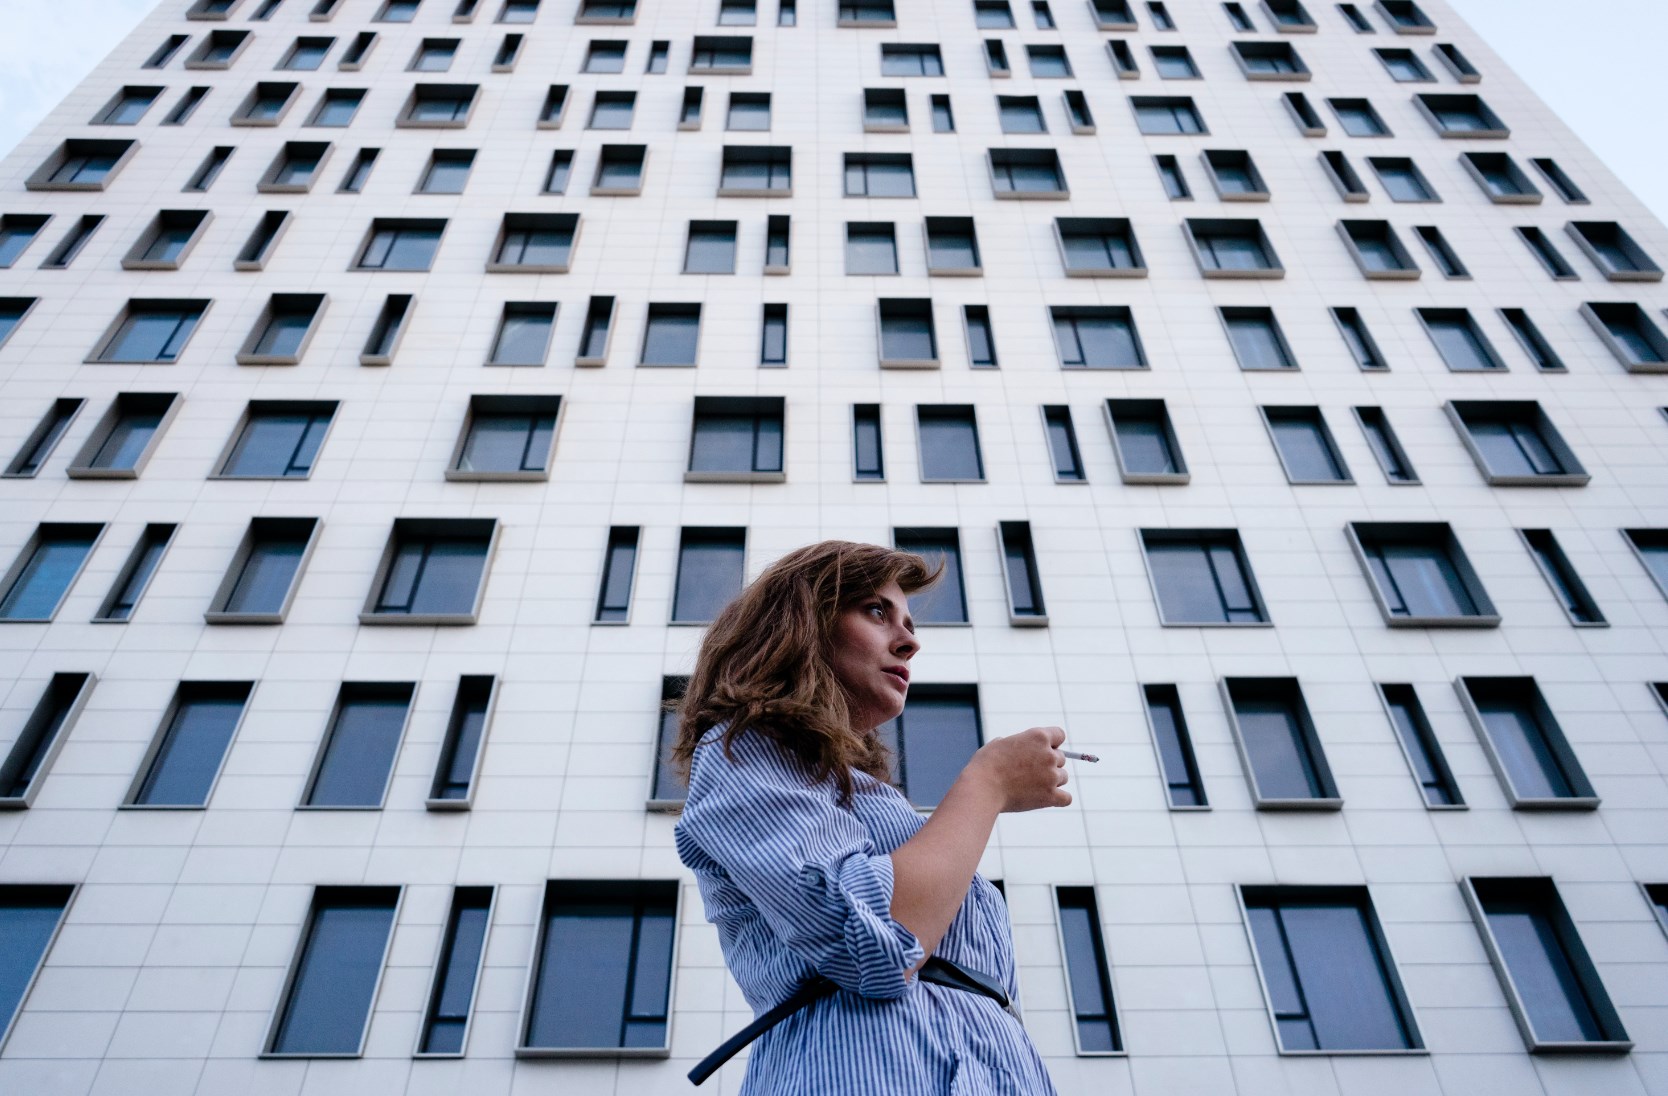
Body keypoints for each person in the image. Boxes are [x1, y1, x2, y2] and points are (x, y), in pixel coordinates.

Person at [672, 540, 1071, 1094]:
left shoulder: (872, 800)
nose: (909, 642)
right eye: (878, 611)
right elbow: (877, 943)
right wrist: (989, 783)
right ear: (802, 623)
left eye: (906, 621)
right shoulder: (744, 749)